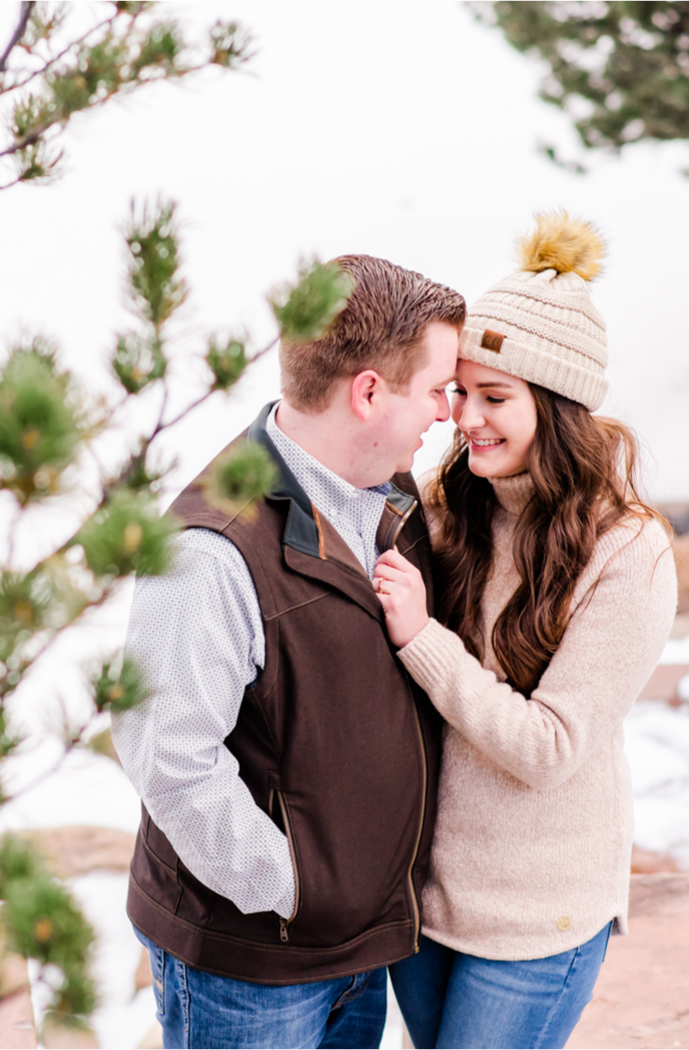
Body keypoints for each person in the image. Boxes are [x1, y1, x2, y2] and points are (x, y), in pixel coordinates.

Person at [113, 255, 466, 1049]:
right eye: (437, 387)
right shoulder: (209, 554)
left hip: (356, 950)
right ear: (369, 392)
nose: (448, 411)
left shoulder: (391, 498)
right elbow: (168, 758)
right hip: (254, 971)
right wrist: (298, 887)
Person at [371, 213, 678, 1050]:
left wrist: (422, 639)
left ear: (559, 405)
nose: (466, 417)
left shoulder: (629, 551)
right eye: (461, 392)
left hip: (542, 915)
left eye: (495, 398)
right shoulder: (455, 508)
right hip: (429, 896)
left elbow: (550, 747)